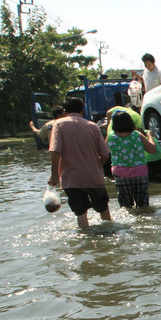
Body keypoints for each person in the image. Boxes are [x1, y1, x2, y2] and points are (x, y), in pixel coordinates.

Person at [49, 96, 112, 228]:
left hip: (71, 179)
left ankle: (86, 239)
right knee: (103, 210)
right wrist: (97, 166)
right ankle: (109, 233)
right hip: (93, 177)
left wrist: (55, 175)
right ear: (82, 110)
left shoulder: (59, 124)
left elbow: (55, 151)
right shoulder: (92, 126)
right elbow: (105, 154)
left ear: (65, 110)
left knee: (81, 214)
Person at [107, 110, 156, 208]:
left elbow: (104, 151)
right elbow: (151, 149)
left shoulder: (111, 136)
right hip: (139, 172)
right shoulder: (137, 135)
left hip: (121, 173)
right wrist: (150, 136)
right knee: (143, 204)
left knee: (125, 205)